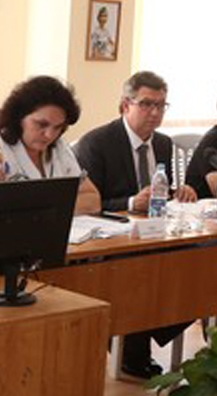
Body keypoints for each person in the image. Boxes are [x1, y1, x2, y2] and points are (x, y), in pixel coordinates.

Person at [74, 71, 196, 379]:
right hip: (109, 237)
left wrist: (178, 193)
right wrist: (130, 202)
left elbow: (160, 193)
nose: (155, 113)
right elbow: (88, 205)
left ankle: (148, 333)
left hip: (153, 232)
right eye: (146, 104)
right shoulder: (96, 143)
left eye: (161, 105)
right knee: (141, 268)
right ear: (124, 105)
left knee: (199, 261)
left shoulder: (164, 143)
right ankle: (131, 348)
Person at [0, 75, 102, 215]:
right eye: (41, 124)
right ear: (19, 117)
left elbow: (92, 200)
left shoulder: (58, 148)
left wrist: (42, 210)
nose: (49, 135)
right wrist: (53, 208)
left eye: (57, 127)